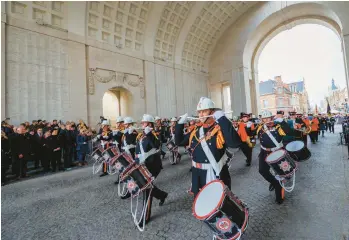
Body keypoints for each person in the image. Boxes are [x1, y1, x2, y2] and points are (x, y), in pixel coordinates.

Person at [175, 97, 241, 197]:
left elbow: (235, 143)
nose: (201, 115)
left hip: (215, 172)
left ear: (212, 111)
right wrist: (179, 124)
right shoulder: (196, 130)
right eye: (199, 112)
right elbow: (179, 141)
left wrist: (223, 120)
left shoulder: (219, 128)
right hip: (197, 174)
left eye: (204, 111)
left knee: (217, 206)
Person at [135, 114, 168, 227]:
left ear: (149, 124)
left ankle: (146, 216)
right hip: (143, 165)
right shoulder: (140, 135)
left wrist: (149, 133)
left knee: (146, 189)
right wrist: (136, 163)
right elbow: (138, 151)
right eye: (142, 123)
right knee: (146, 186)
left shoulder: (154, 134)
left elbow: (157, 145)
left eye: (144, 123)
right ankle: (162, 195)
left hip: (153, 165)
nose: (142, 125)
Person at [256, 110, 294, 204]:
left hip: (277, 152)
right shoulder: (260, 127)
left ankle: (279, 195)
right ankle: (274, 182)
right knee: (262, 170)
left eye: (268, 118)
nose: (266, 120)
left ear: (272, 118)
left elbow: (289, 132)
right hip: (264, 152)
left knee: (280, 173)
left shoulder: (278, 127)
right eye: (264, 119)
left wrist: (283, 122)